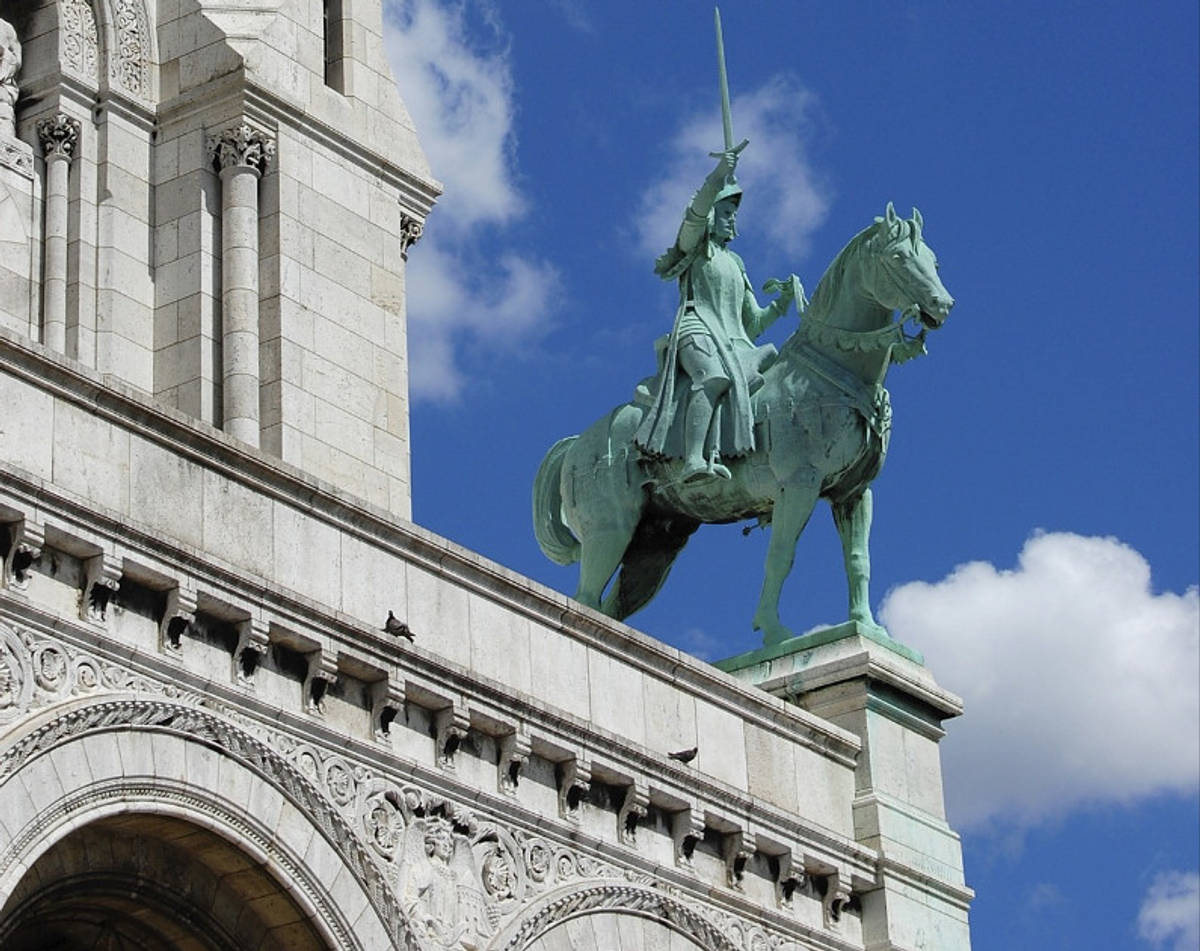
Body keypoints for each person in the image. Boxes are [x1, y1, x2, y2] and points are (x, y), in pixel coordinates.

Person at [634, 146, 794, 482]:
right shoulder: (695, 246)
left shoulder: (735, 263)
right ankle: (693, 459)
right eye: (725, 212)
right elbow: (695, 213)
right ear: (711, 217)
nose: (732, 219)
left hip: (734, 342)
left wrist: (781, 305)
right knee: (712, 377)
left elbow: (752, 322)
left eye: (733, 214)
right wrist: (718, 176)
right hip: (697, 329)